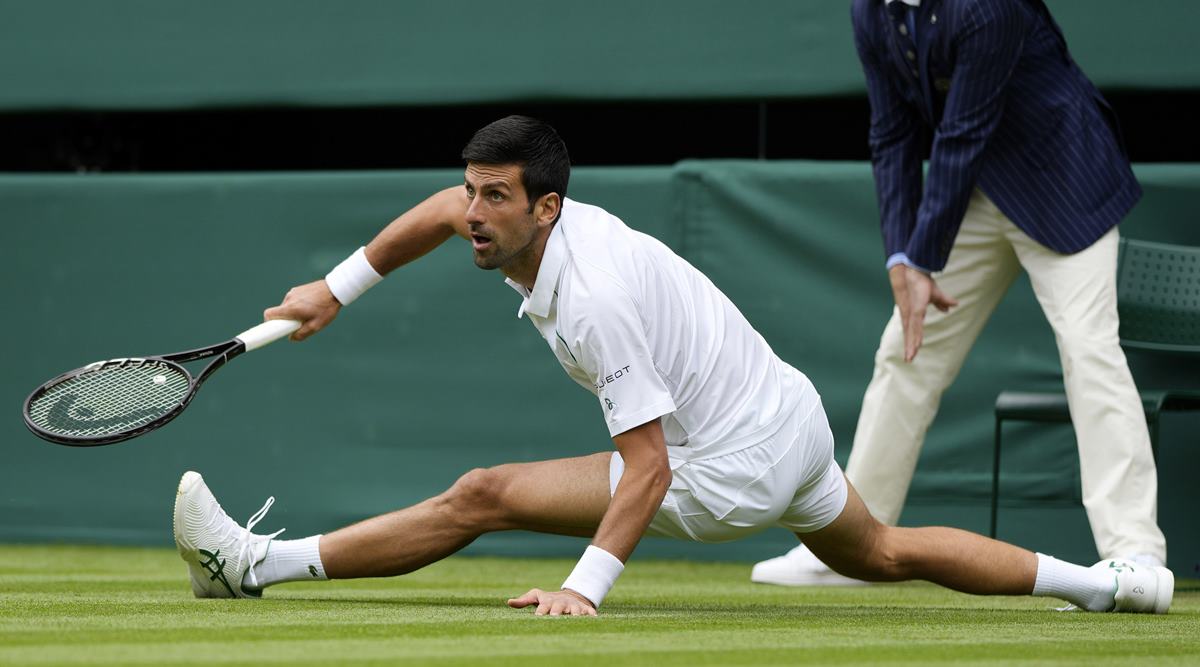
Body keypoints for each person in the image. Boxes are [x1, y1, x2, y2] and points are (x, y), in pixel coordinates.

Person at [173, 115, 1172, 616]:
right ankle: (1113, 586)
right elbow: (436, 213)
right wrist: (331, 291)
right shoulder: (506, 218)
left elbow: (647, 470)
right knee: (889, 553)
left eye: (494, 198)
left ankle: (252, 567)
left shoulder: (593, 297)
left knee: (483, 493)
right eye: (472, 189)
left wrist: (587, 585)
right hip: (788, 418)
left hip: (731, 461)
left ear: (545, 208)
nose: (472, 212)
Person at [752, 0, 1167, 587]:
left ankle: (1136, 552)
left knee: (1088, 349)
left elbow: (962, 132)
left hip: (1065, 182)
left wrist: (922, 256)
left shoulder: (988, 7)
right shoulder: (871, 11)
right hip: (978, 191)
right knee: (905, 351)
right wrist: (902, 258)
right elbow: (891, 131)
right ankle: (849, 544)